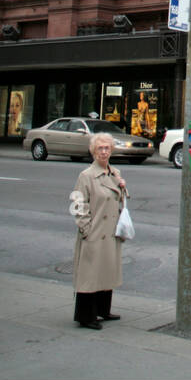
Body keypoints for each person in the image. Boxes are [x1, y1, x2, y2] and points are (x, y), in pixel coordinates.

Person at [70, 133, 128, 329]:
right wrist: (86, 229)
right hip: (95, 232)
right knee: (90, 275)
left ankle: (103, 309)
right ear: (93, 151)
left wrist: (122, 185)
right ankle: (86, 316)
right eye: (100, 149)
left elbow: (120, 200)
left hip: (110, 232)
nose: (104, 152)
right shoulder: (86, 176)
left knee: (106, 271)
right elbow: (78, 203)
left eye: (107, 148)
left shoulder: (115, 173)